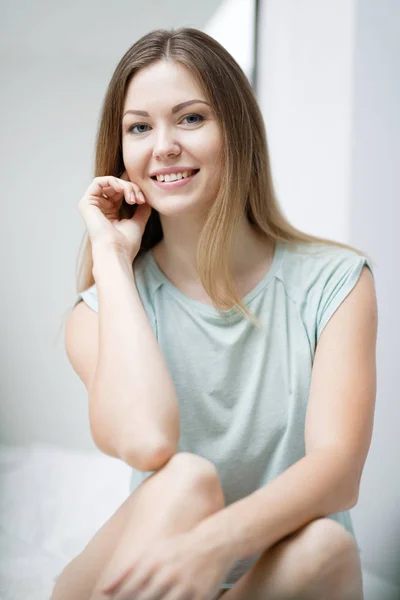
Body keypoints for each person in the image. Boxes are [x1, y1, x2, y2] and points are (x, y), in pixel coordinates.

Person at [53, 27, 377, 600]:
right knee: (185, 480)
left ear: (237, 130)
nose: (165, 145)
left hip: (260, 578)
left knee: (328, 547)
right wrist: (111, 258)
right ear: (122, 153)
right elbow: (148, 442)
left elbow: (339, 470)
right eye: (139, 127)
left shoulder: (335, 282)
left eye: (192, 118)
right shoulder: (99, 313)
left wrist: (213, 545)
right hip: (151, 576)